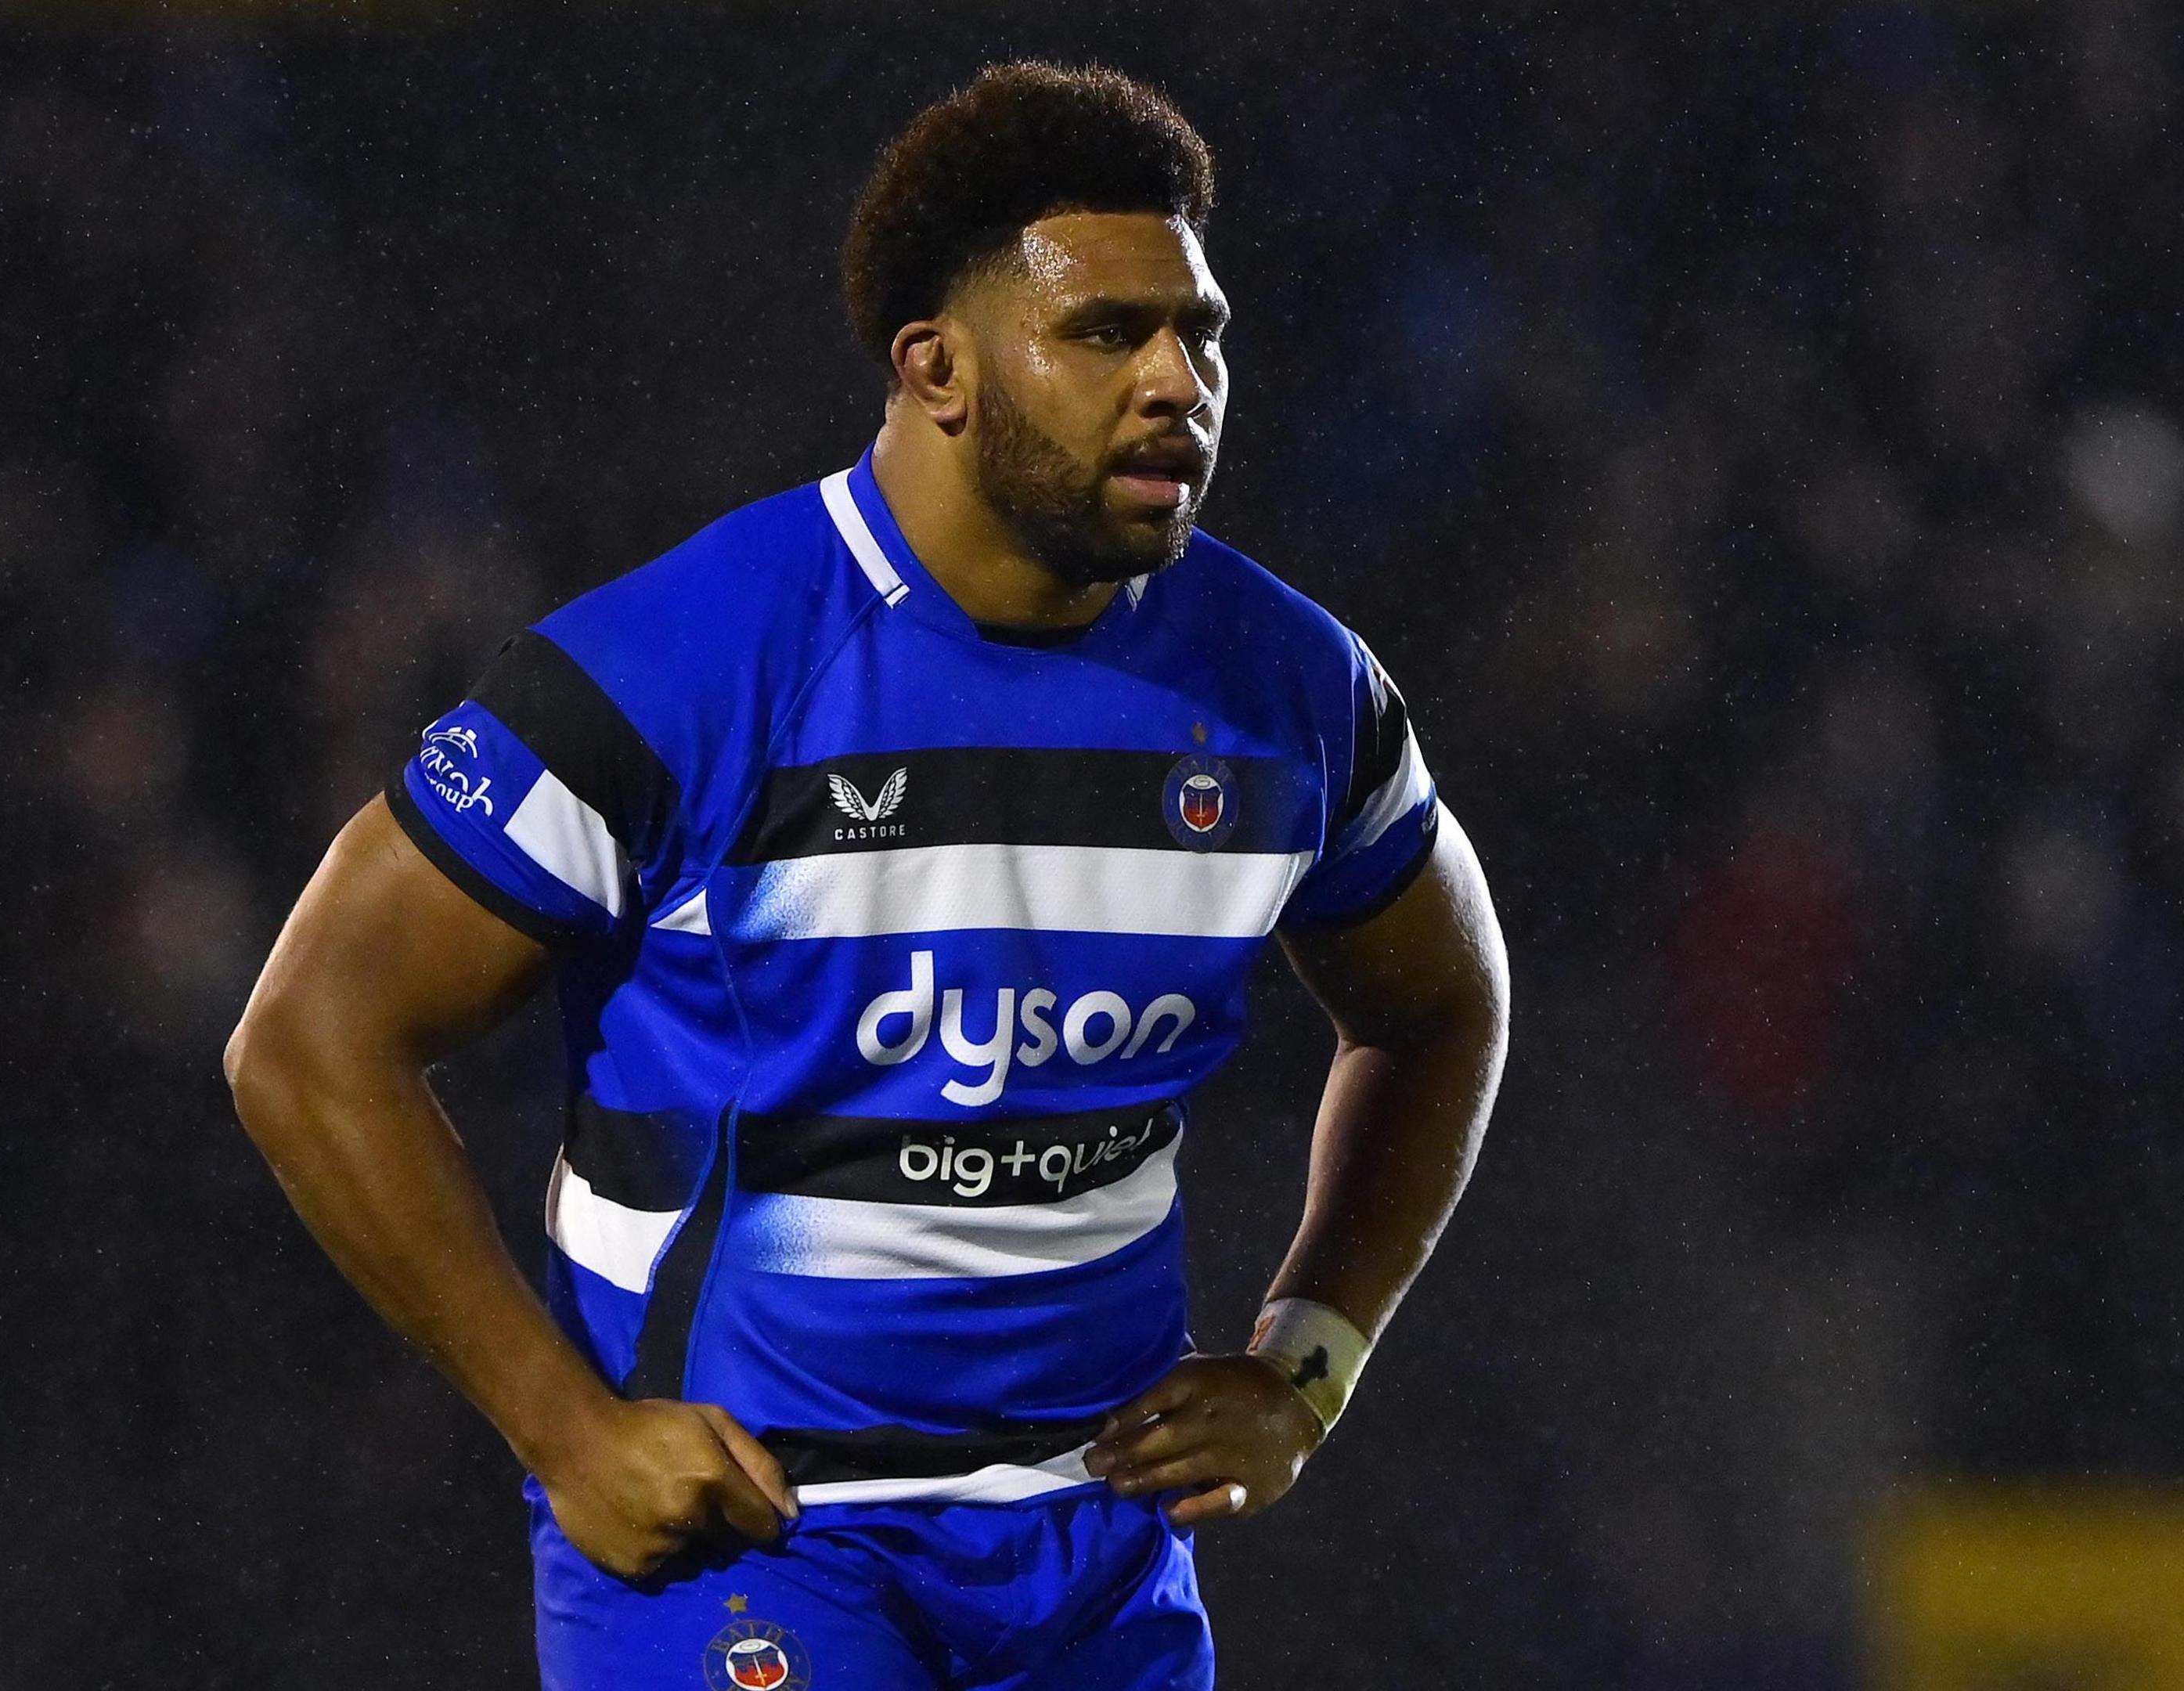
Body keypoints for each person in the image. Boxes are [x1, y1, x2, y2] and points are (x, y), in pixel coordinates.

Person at [224, 60, 1508, 1691]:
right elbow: (309, 1035)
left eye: (1202, 333)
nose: (1180, 382)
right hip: (755, 1544)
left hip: (1097, 1557)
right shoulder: (687, 664)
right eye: (1107, 334)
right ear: (937, 368)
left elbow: (1444, 1008)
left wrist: (1309, 1362)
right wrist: (565, 1431)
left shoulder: (1294, 690)